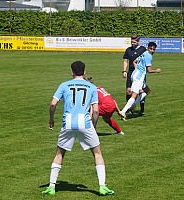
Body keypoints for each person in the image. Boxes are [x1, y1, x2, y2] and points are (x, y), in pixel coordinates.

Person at [42, 61, 114, 196]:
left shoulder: (64, 85)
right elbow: (96, 111)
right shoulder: (91, 87)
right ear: (84, 72)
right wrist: (94, 125)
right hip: (84, 122)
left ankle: (51, 186)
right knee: (97, 154)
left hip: (68, 123)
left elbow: (52, 104)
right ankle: (102, 186)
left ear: (72, 72)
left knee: (59, 154)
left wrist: (51, 119)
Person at [121, 42, 161, 117]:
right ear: (148, 48)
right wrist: (156, 70)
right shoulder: (149, 56)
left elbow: (134, 61)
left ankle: (134, 105)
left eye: (153, 49)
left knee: (147, 90)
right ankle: (123, 111)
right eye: (151, 49)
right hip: (139, 77)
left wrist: (138, 69)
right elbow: (149, 70)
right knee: (134, 95)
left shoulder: (144, 53)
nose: (152, 51)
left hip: (135, 74)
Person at [122, 34, 147, 115]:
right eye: (131, 42)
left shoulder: (143, 49)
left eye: (134, 42)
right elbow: (125, 61)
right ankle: (129, 109)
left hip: (140, 73)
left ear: (138, 42)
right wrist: (124, 71)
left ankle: (142, 109)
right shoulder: (128, 50)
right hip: (131, 72)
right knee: (129, 91)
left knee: (141, 91)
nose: (132, 43)